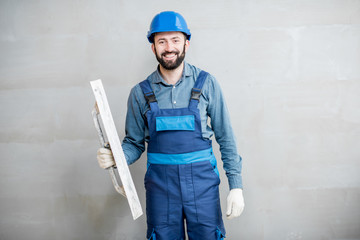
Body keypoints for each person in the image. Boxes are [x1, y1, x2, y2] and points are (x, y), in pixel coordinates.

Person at [97, 11, 244, 240]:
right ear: (153, 48)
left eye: (175, 40)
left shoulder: (207, 84)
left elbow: (226, 138)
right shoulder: (140, 93)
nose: (169, 47)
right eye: (161, 41)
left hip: (203, 187)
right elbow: (134, 144)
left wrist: (236, 186)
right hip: (161, 189)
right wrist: (116, 156)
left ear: (186, 43)